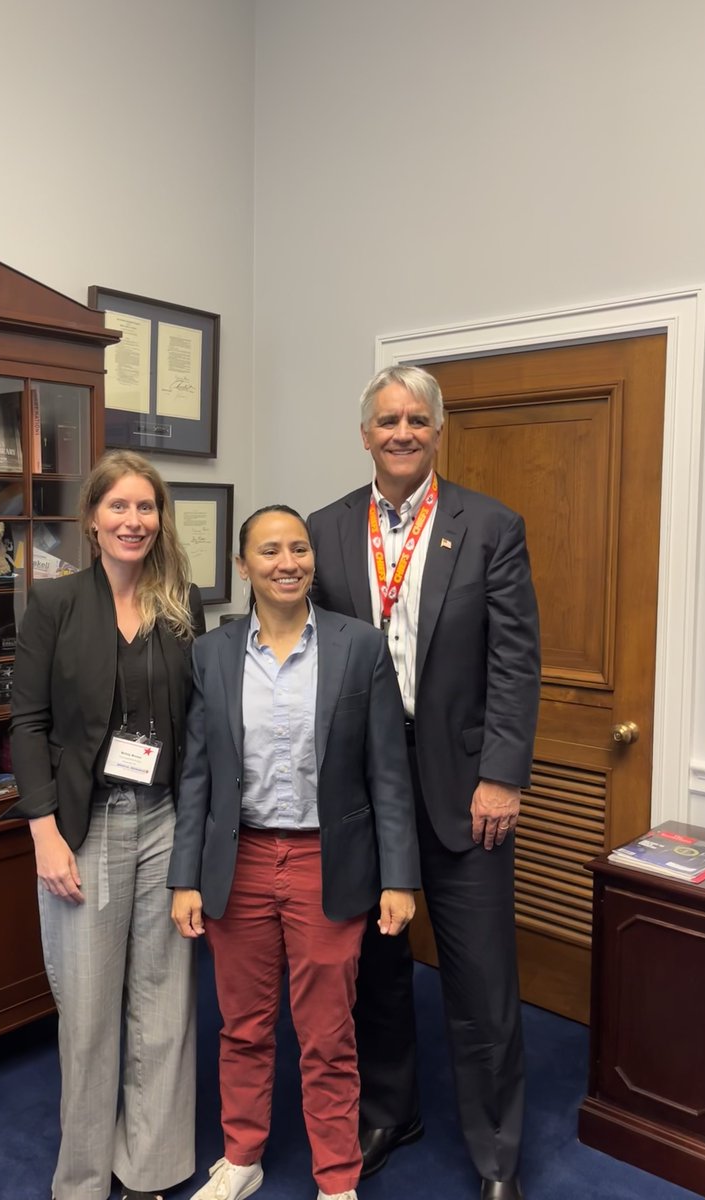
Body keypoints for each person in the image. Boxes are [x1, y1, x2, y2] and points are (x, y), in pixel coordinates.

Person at [306, 365, 540, 1200]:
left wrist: (503, 777)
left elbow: (515, 662)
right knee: (375, 967)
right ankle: (389, 1110)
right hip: (366, 795)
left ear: (439, 431)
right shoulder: (326, 530)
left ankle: (498, 1155)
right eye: (386, 420)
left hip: (465, 792)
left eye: (417, 420)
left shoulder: (490, 526)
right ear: (364, 433)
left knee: (482, 982)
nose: (401, 433)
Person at [168, 505, 420, 1200]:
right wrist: (184, 877)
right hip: (239, 862)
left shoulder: (357, 647)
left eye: (300, 549)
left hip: (326, 864)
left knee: (327, 1034)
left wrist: (400, 877)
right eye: (271, 551)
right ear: (243, 566)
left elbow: (388, 773)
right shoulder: (212, 654)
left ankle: (336, 1179)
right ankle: (242, 1156)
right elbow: (197, 776)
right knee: (242, 1026)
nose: (289, 562)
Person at [4, 449, 206, 1200]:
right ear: (92, 519)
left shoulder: (177, 603)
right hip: (82, 827)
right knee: (87, 1016)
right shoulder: (55, 604)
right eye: (118, 507)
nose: (133, 520)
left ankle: (150, 1169)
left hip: (163, 822)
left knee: (164, 1004)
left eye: (146, 507)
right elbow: (26, 725)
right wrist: (43, 831)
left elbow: (196, 726)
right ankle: (83, 1181)